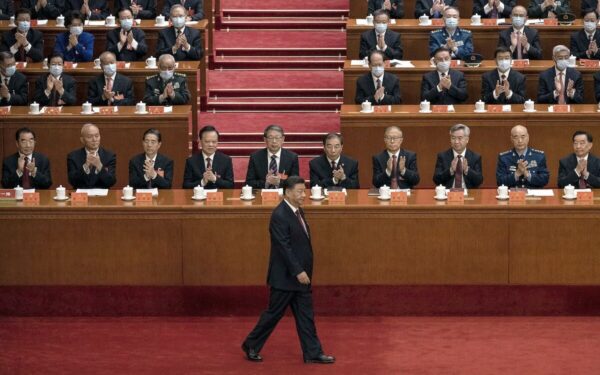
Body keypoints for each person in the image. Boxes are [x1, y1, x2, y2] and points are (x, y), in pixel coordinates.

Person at [242, 175, 335, 365]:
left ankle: (312, 353)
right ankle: (251, 344)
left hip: (301, 277)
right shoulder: (280, 215)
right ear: (287, 192)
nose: (304, 195)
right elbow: (283, 247)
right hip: (286, 278)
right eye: (299, 192)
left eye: (304, 191)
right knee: (273, 314)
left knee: (306, 317)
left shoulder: (297, 211)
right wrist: (298, 271)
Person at [245, 125, 300, 189]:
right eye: (270, 138)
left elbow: (295, 183)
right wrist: (266, 182)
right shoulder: (255, 157)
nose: (274, 141)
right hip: (262, 195)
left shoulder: (292, 157)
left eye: (277, 137)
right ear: (265, 139)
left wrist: (279, 182)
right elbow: (249, 182)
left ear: (283, 139)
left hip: (283, 195)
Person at [67, 123, 117, 189]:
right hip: (81, 195)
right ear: (82, 140)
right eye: (90, 137)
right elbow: (72, 181)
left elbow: (111, 182)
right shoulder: (73, 156)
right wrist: (85, 166)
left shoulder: (109, 156)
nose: (94, 140)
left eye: (97, 136)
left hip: (103, 196)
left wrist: (99, 166)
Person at [433, 124, 483, 189]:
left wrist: (467, 170)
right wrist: (450, 170)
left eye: (460, 138)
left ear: (467, 139)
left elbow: (479, 181)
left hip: (468, 194)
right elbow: (436, 180)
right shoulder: (442, 156)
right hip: (448, 194)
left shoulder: (475, 157)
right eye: (453, 138)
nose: (456, 142)